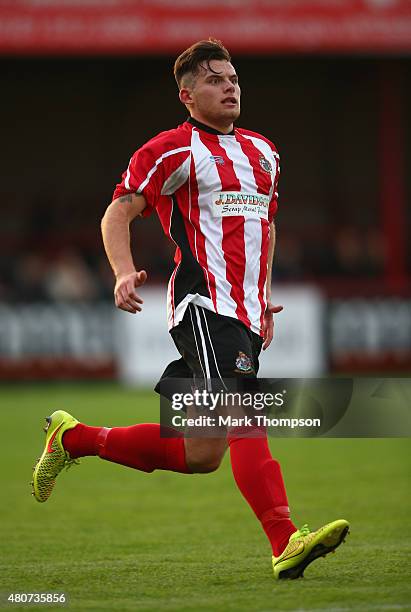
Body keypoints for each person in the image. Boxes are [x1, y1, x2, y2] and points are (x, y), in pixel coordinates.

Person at [31, 39, 349, 580]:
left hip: (245, 312)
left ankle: (74, 437)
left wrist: (263, 297)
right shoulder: (172, 150)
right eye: (214, 79)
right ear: (187, 95)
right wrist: (122, 272)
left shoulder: (265, 153)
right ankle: (284, 540)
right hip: (205, 306)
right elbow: (117, 213)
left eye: (233, 77)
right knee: (246, 413)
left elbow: (264, 229)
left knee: (202, 450)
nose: (230, 86)